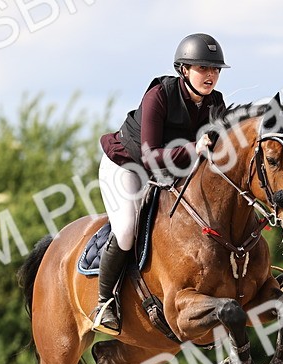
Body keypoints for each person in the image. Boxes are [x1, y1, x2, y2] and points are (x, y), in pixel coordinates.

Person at [92, 33, 229, 335]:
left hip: (170, 171)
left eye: (215, 70)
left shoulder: (215, 103)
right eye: (203, 68)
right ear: (184, 69)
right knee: (127, 229)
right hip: (127, 165)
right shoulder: (160, 95)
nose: (211, 75)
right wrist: (194, 147)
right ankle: (104, 303)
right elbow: (149, 155)